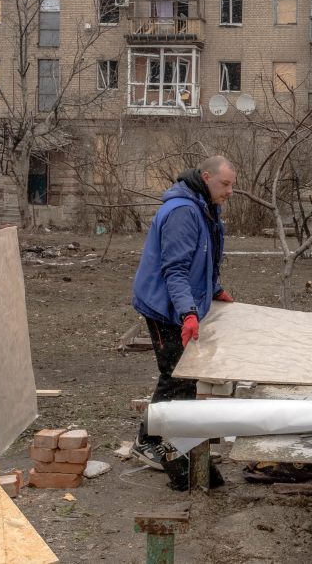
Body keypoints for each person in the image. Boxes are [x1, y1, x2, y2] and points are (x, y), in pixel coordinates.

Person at [130, 155, 236, 490]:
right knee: (175, 374)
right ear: (206, 177)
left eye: (232, 184)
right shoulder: (182, 212)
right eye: (225, 184)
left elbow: (204, 258)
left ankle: (179, 442)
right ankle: (147, 441)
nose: (230, 191)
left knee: (186, 377)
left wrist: (214, 289)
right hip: (164, 306)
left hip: (181, 301)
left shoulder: (204, 206)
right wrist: (188, 312)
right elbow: (174, 270)